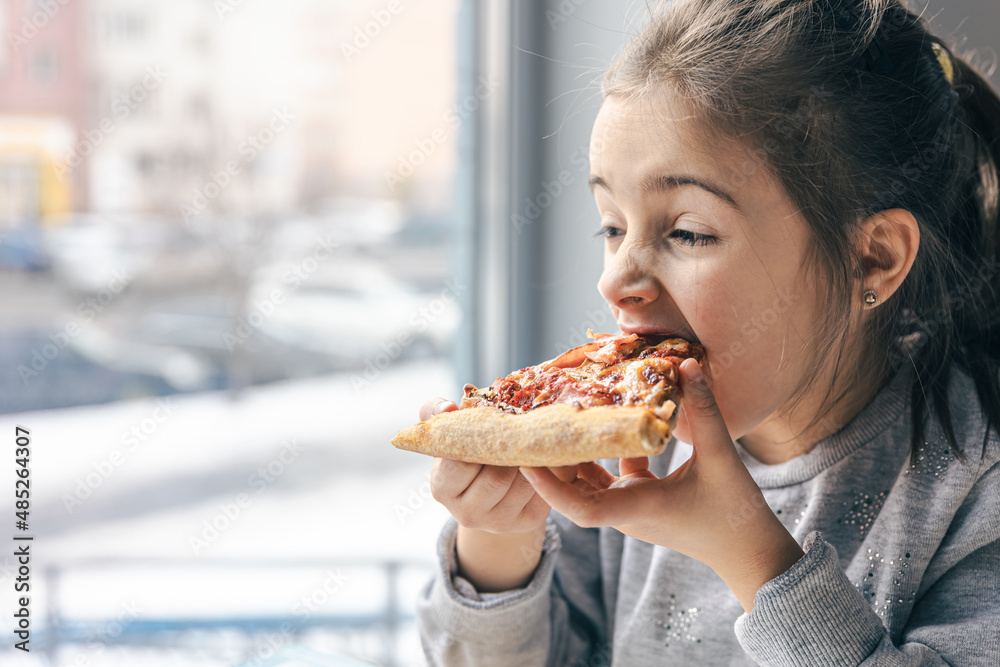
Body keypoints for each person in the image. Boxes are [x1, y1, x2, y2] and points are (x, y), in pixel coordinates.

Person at [415, 0, 1000, 664]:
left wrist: (749, 552)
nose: (616, 280)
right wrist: (496, 541)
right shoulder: (625, 450)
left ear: (874, 257)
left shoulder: (977, 485)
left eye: (688, 231)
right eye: (612, 225)